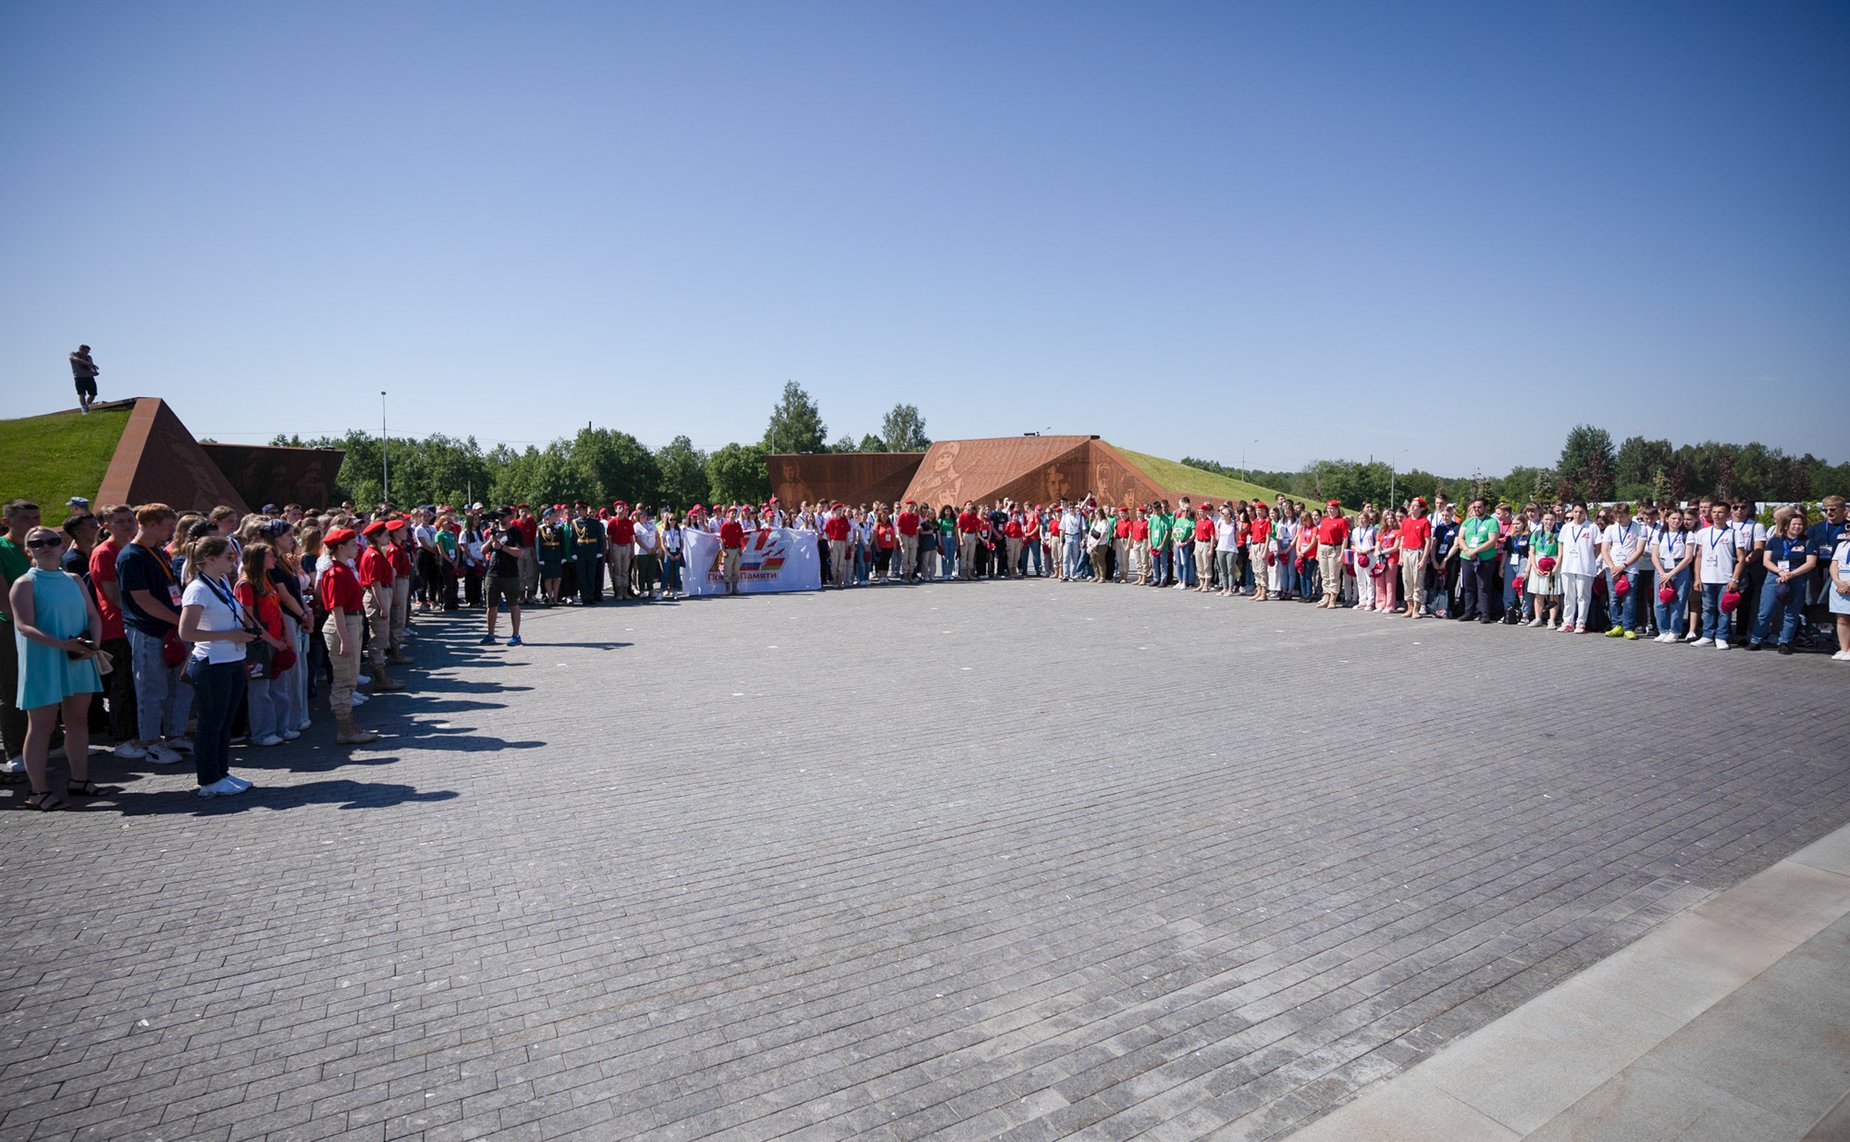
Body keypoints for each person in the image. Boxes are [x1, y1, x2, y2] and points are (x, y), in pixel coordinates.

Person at [8, 526, 114, 809]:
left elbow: (94, 615)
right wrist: (65, 645)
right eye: (37, 542)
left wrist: (92, 645)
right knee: (41, 726)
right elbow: (25, 627)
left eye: (52, 541)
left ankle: (79, 780)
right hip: (43, 662)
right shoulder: (25, 583)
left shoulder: (74, 579)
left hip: (77, 657)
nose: (46, 546)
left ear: (62, 546)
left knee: (78, 721)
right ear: (27, 549)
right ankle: (38, 791)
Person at [176, 536, 256, 796]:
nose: (234, 561)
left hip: (232, 659)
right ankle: (209, 780)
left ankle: (221, 772)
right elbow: (186, 632)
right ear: (210, 559)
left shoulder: (220, 582)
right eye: (228, 557)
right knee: (211, 723)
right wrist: (229, 635)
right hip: (212, 662)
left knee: (224, 722)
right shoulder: (198, 588)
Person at [318, 528, 379, 744]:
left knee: (349, 679)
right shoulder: (335, 573)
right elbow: (337, 609)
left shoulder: (343, 569)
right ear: (341, 548)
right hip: (342, 625)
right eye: (353, 544)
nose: (357, 547)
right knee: (343, 681)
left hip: (351, 622)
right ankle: (346, 730)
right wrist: (344, 639)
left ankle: (349, 727)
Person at [233, 543, 292, 746]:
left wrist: (284, 636)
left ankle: (281, 728)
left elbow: (276, 610)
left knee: (279, 688)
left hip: (276, 642)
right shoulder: (245, 585)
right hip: (259, 645)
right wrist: (272, 640)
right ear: (258, 559)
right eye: (270, 556)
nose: (275, 559)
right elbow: (248, 618)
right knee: (260, 690)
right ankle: (262, 733)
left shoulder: (267, 580)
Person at [1748, 513, 1816, 654]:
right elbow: (1766, 560)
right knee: (1765, 611)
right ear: (1786, 526)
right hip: (1774, 577)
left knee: (1792, 612)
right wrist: (1780, 572)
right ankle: (1756, 639)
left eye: (1800, 524)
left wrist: (1792, 574)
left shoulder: (1808, 541)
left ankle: (1785, 641)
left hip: (1797, 577)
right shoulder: (1775, 540)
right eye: (1794, 524)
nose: (1797, 527)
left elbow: (1810, 563)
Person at [357, 522, 406, 691]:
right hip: (377, 596)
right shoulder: (373, 555)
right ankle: (380, 678)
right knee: (378, 638)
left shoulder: (378, 553)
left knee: (381, 636)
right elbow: (374, 583)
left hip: (383, 593)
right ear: (376, 538)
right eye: (385, 535)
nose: (388, 537)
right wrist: (383, 606)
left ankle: (382, 675)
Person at [1691, 506, 1740, 648]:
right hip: (1707, 578)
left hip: (1725, 578)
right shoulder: (1703, 533)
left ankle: (1721, 636)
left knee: (1724, 609)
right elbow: (1699, 556)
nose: (1716, 515)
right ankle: (1707, 635)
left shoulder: (1734, 534)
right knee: (1707, 608)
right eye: (1714, 512)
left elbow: (1741, 558)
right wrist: (1697, 577)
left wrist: (1734, 578)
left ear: (1727, 515)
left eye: (1720, 512)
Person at [1599, 502, 1646, 639]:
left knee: (1629, 598)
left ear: (1628, 515)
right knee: (1613, 598)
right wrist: (1613, 566)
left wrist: (1624, 565)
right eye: (1616, 516)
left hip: (1630, 567)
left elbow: (1639, 550)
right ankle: (1617, 625)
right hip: (1612, 567)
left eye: (1622, 516)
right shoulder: (1610, 529)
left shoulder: (1639, 528)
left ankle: (1629, 627)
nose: (1619, 519)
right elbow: (1604, 550)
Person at [1650, 508, 1694, 642]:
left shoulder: (1688, 534)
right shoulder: (1659, 534)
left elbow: (1688, 558)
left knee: (1678, 601)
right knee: (1660, 600)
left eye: (1679, 519)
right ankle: (1663, 630)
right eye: (1673, 518)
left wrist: (1672, 573)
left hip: (1680, 568)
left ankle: (1675, 631)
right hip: (1661, 568)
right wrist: (1662, 573)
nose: (1677, 521)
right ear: (1667, 519)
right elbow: (1654, 556)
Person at [481, 513, 525, 646]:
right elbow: (483, 551)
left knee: (513, 605)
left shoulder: (515, 532)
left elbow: (519, 552)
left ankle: (516, 635)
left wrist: (502, 547)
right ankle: (490, 635)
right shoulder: (492, 532)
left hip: (510, 574)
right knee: (491, 606)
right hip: (492, 573)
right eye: (499, 516)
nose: (501, 519)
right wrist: (491, 540)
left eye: (503, 516)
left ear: (510, 517)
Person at [1829, 524, 1850, 662]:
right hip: (1839, 582)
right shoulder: (1842, 545)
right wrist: (1837, 581)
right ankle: (1844, 649)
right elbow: (1834, 564)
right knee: (1841, 618)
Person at [719, 508, 745, 594]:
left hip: (736, 549)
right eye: (732, 513)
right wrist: (723, 550)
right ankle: (727, 589)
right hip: (728, 549)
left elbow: (741, 537)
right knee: (727, 570)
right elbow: (721, 539)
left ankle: (735, 588)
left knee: (736, 570)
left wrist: (740, 548)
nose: (734, 514)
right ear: (728, 515)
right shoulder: (724, 526)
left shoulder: (738, 526)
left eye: (735, 513)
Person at [70, 345, 99, 413]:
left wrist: (94, 371)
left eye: (88, 352)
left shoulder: (88, 357)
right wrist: (88, 364)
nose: (87, 353)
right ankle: (84, 409)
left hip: (89, 377)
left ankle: (87, 405)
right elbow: (77, 360)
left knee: (93, 394)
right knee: (82, 394)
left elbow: (91, 367)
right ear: (81, 350)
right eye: (86, 351)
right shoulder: (73, 354)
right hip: (79, 377)